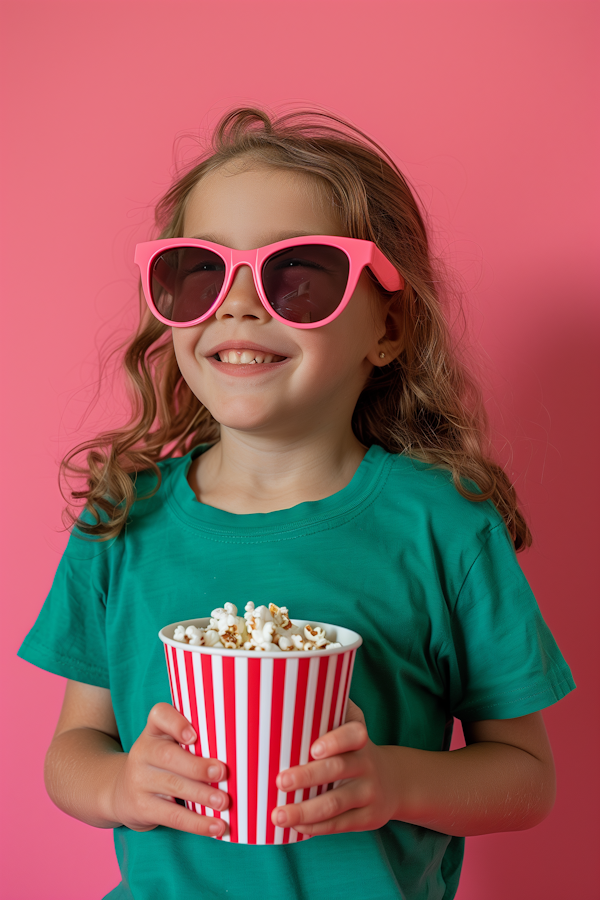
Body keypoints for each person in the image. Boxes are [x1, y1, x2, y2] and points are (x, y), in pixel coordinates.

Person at [19, 106, 575, 900]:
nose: (239, 303)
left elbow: (526, 779)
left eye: (299, 275)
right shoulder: (124, 521)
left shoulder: (444, 527)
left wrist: (394, 782)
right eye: (200, 270)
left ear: (387, 327)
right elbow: (73, 751)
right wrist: (121, 786)